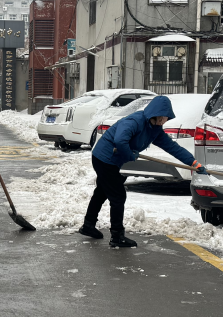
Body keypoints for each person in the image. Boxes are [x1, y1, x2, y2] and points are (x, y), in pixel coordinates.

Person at [82, 94, 203, 248]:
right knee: (118, 196)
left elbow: (173, 148)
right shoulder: (135, 121)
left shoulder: (155, 130)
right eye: (164, 116)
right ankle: (117, 236)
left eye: (167, 117)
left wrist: (193, 163)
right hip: (104, 158)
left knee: (102, 191)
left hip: (112, 161)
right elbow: (120, 140)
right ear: (156, 113)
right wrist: (130, 154)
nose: (165, 120)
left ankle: (88, 225)